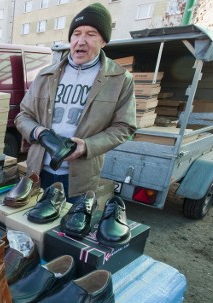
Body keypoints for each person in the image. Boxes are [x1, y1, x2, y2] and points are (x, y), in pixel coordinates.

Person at [14, 2, 136, 202]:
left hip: (79, 180)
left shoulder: (120, 79)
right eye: (76, 33)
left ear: (104, 41)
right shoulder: (46, 75)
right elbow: (23, 116)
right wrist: (39, 132)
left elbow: (124, 127)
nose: (81, 41)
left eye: (91, 34)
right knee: (30, 227)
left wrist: (87, 146)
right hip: (37, 173)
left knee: (65, 232)